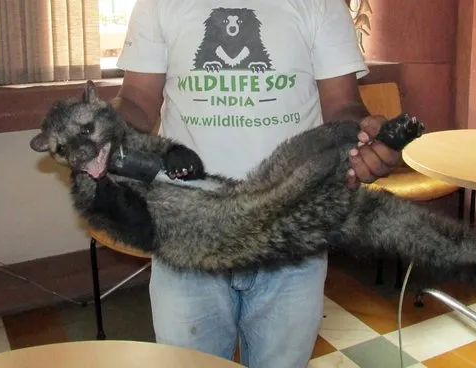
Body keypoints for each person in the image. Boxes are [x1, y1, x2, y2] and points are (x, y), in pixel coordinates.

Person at [111, 0, 401, 366]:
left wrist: (364, 137)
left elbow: (342, 105)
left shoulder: (322, 4)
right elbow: (137, 99)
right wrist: (102, 127)